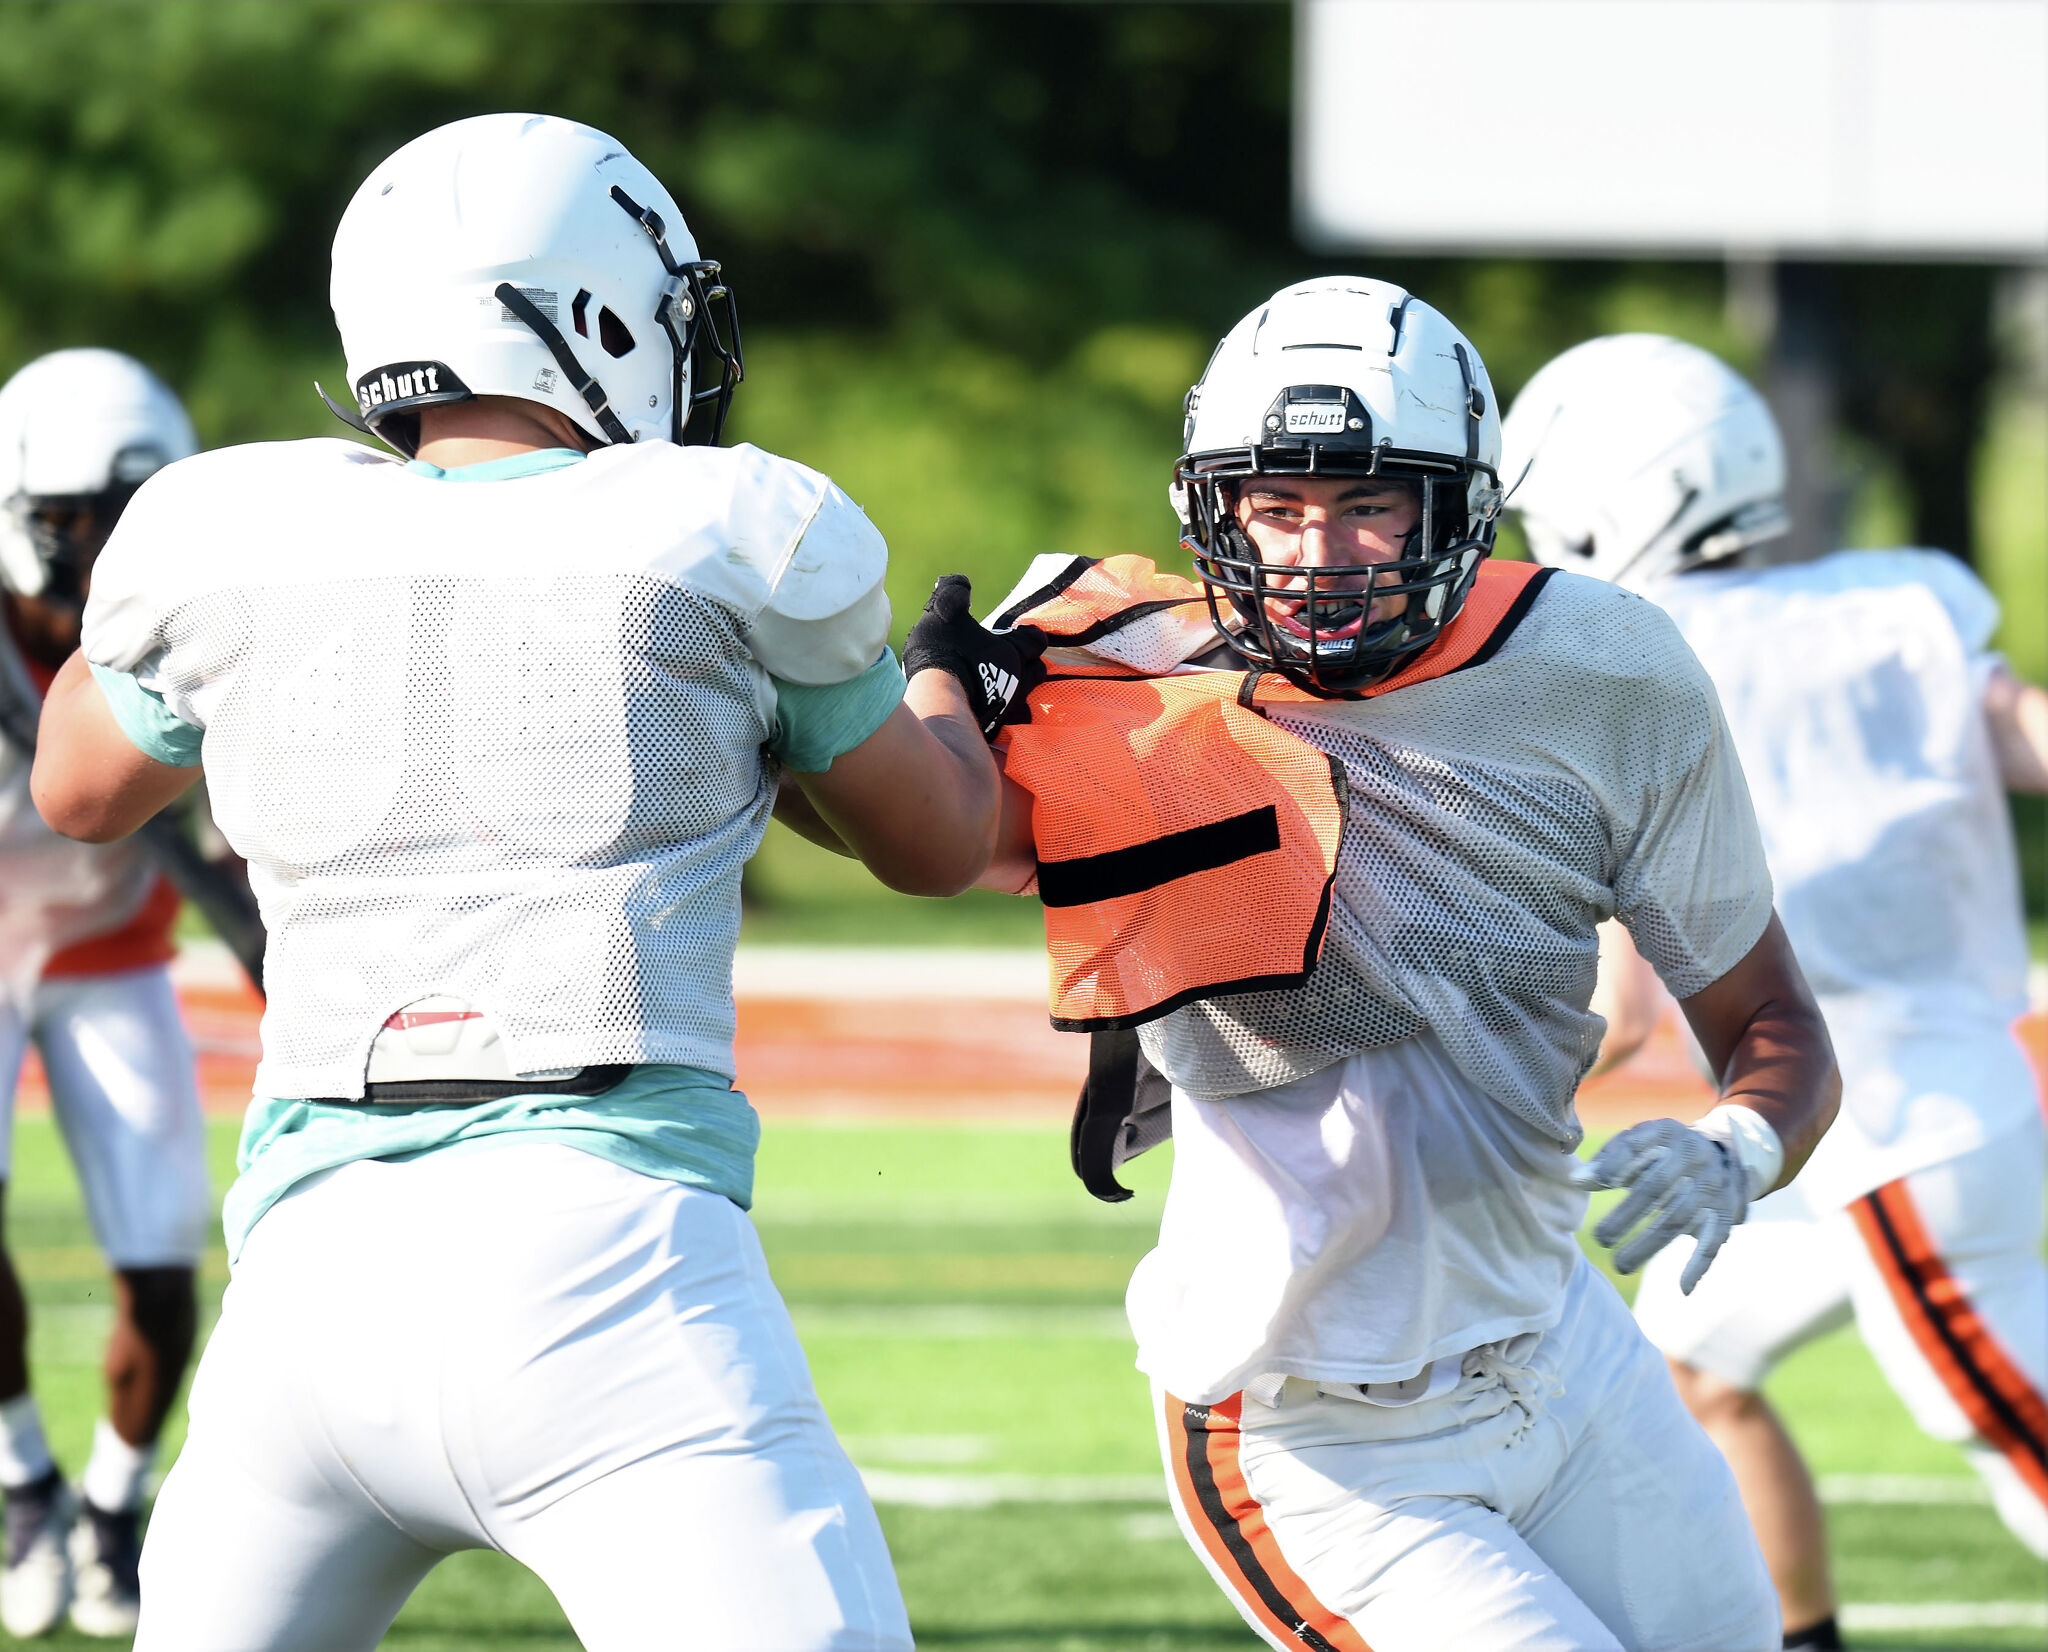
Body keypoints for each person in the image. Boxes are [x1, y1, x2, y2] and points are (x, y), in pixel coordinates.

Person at [32, 112, 1004, 1651]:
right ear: (598, 314)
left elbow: (78, 784)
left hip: (308, 1289)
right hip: (610, 1268)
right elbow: (940, 841)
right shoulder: (724, 532)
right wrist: (944, 683)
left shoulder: (237, 528)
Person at [905, 276, 1840, 1651]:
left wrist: (1741, 1148)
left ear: (1461, 502)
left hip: (1562, 1349)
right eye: (1276, 508)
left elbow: (1773, 1020)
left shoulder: (1606, 670)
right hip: (1310, 1433)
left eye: (1367, 504)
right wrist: (913, 691)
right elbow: (936, 842)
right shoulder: (1134, 678)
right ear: (1213, 511)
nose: (1316, 553)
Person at [1504, 332, 2048, 1649]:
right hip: (1867, 1129)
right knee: (1691, 1364)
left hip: (1896, 1139)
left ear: (1601, 497)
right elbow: (2024, 730)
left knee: (2018, 1445)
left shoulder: (1627, 659)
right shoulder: (1889, 607)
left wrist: (1457, 1085)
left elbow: (1625, 1007)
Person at [0, 348, 213, 1639]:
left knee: (163, 1263)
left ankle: (108, 1510)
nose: (103, 550)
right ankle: (26, 1479)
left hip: (112, 954)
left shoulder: (187, 632)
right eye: (77, 518)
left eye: (133, 517)